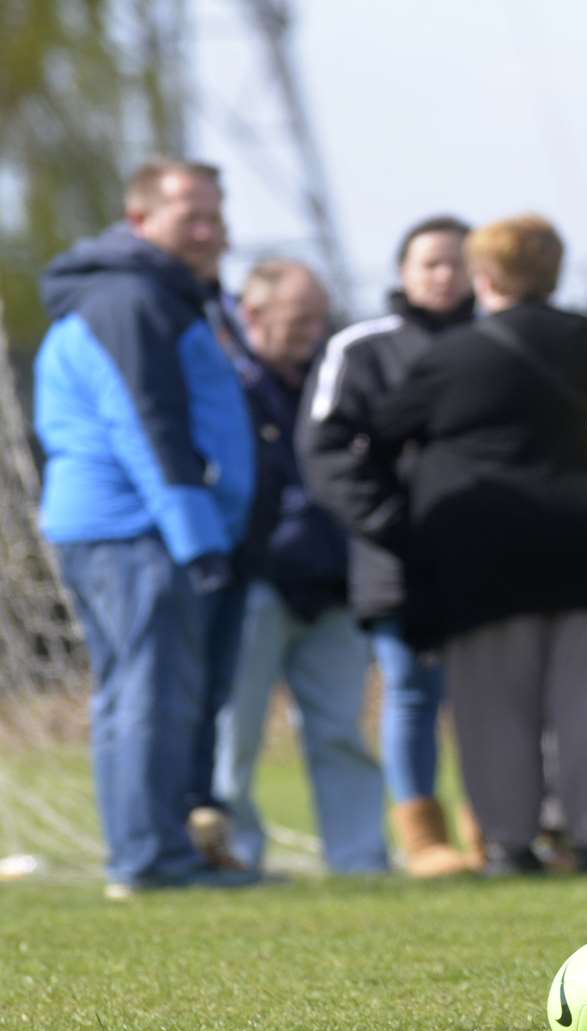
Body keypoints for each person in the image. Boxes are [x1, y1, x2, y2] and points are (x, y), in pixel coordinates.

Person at [361, 214, 587, 874]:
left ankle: (508, 841)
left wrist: (400, 521)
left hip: (484, 555)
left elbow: (379, 436)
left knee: (492, 708)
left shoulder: (450, 357)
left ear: (485, 275)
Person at [34, 158, 259, 897]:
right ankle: (150, 860)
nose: (208, 231)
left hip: (143, 528)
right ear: (139, 221)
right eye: (190, 215)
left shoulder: (164, 294)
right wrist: (197, 534)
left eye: (216, 215)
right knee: (145, 696)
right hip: (135, 530)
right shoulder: (130, 299)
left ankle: (161, 851)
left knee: (144, 692)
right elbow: (146, 424)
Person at [299, 215, 477, 878]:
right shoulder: (361, 348)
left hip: (485, 563)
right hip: (395, 559)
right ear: (403, 272)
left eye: (456, 261)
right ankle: (424, 837)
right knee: (409, 691)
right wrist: (391, 522)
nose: (443, 274)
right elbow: (323, 452)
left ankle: (492, 829)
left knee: (487, 698)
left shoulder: (495, 340)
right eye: (429, 262)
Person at [210, 260, 388, 874]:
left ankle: (361, 861)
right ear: (253, 314)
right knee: (236, 737)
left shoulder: (335, 380)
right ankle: (233, 856)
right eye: (299, 318)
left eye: (319, 316)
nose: (314, 330)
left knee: (341, 732)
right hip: (255, 588)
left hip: (334, 589)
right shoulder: (226, 384)